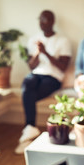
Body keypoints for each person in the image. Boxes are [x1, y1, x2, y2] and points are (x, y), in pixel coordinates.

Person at [15, 10, 72, 154]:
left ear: (52, 22)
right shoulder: (34, 39)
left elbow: (63, 67)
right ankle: (30, 128)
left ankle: (29, 130)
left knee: (29, 94)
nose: (41, 23)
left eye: (45, 20)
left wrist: (46, 52)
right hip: (36, 75)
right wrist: (37, 52)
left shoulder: (62, 40)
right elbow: (31, 66)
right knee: (27, 83)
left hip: (53, 78)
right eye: (40, 20)